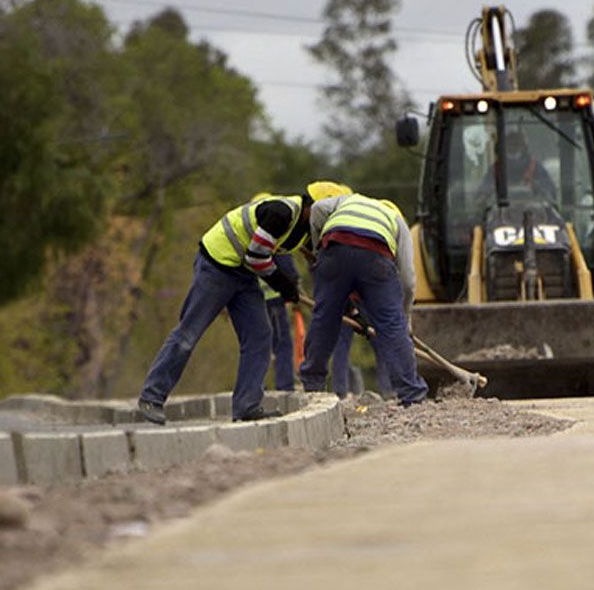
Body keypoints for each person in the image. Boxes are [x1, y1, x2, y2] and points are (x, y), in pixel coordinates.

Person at [138, 181, 352, 424]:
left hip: (244, 273)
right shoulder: (281, 213)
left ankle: (246, 405)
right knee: (188, 334)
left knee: (260, 336)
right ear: (315, 206)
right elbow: (257, 255)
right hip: (217, 265)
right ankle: (151, 397)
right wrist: (284, 286)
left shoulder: (306, 229)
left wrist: (344, 304)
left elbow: (319, 267)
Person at [299, 193, 428, 406]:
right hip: (375, 258)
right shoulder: (396, 220)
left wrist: (317, 248)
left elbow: (318, 209)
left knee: (325, 317)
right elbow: (407, 280)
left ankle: (313, 385)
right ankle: (411, 394)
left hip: (335, 251)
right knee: (391, 325)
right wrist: (404, 318)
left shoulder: (347, 200)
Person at [477, 130, 556, 201]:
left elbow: (549, 189)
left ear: (523, 146)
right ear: (503, 147)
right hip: (501, 211)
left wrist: (536, 186)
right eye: (509, 143)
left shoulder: (535, 166)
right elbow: (483, 190)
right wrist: (490, 190)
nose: (513, 146)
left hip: (534, 211)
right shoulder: (496, 169)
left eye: (517, 143)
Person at [262, 253, 299, 391]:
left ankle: (256, 386)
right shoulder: (274, 236)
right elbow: (284, 262)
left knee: (258, 344)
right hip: (274, 297)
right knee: (283, 343)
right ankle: (285, 386)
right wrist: (293, 284)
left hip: (254, 299)